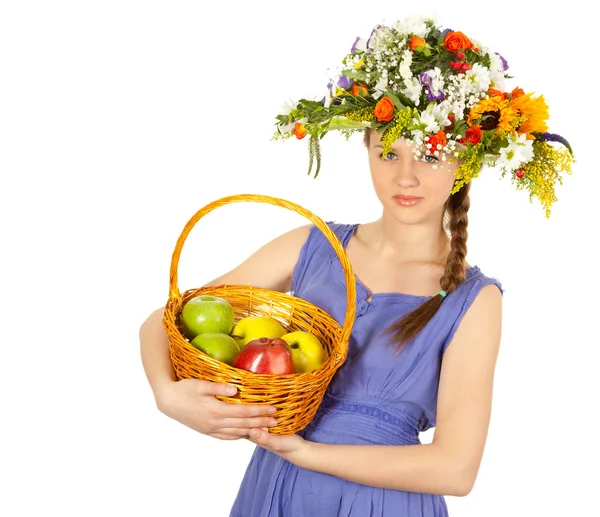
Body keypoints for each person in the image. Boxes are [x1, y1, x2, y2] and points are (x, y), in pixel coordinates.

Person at [139, 15, 574, 516]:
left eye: (430, 156)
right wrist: (166, 395)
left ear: (464, 165)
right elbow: (168, 318)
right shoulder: (312, 245)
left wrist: (309, 453)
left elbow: (456, 469)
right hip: (277, 490)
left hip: (382, 504)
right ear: (366, 149)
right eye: (388, 152)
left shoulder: (474, 301)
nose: (406, 176)